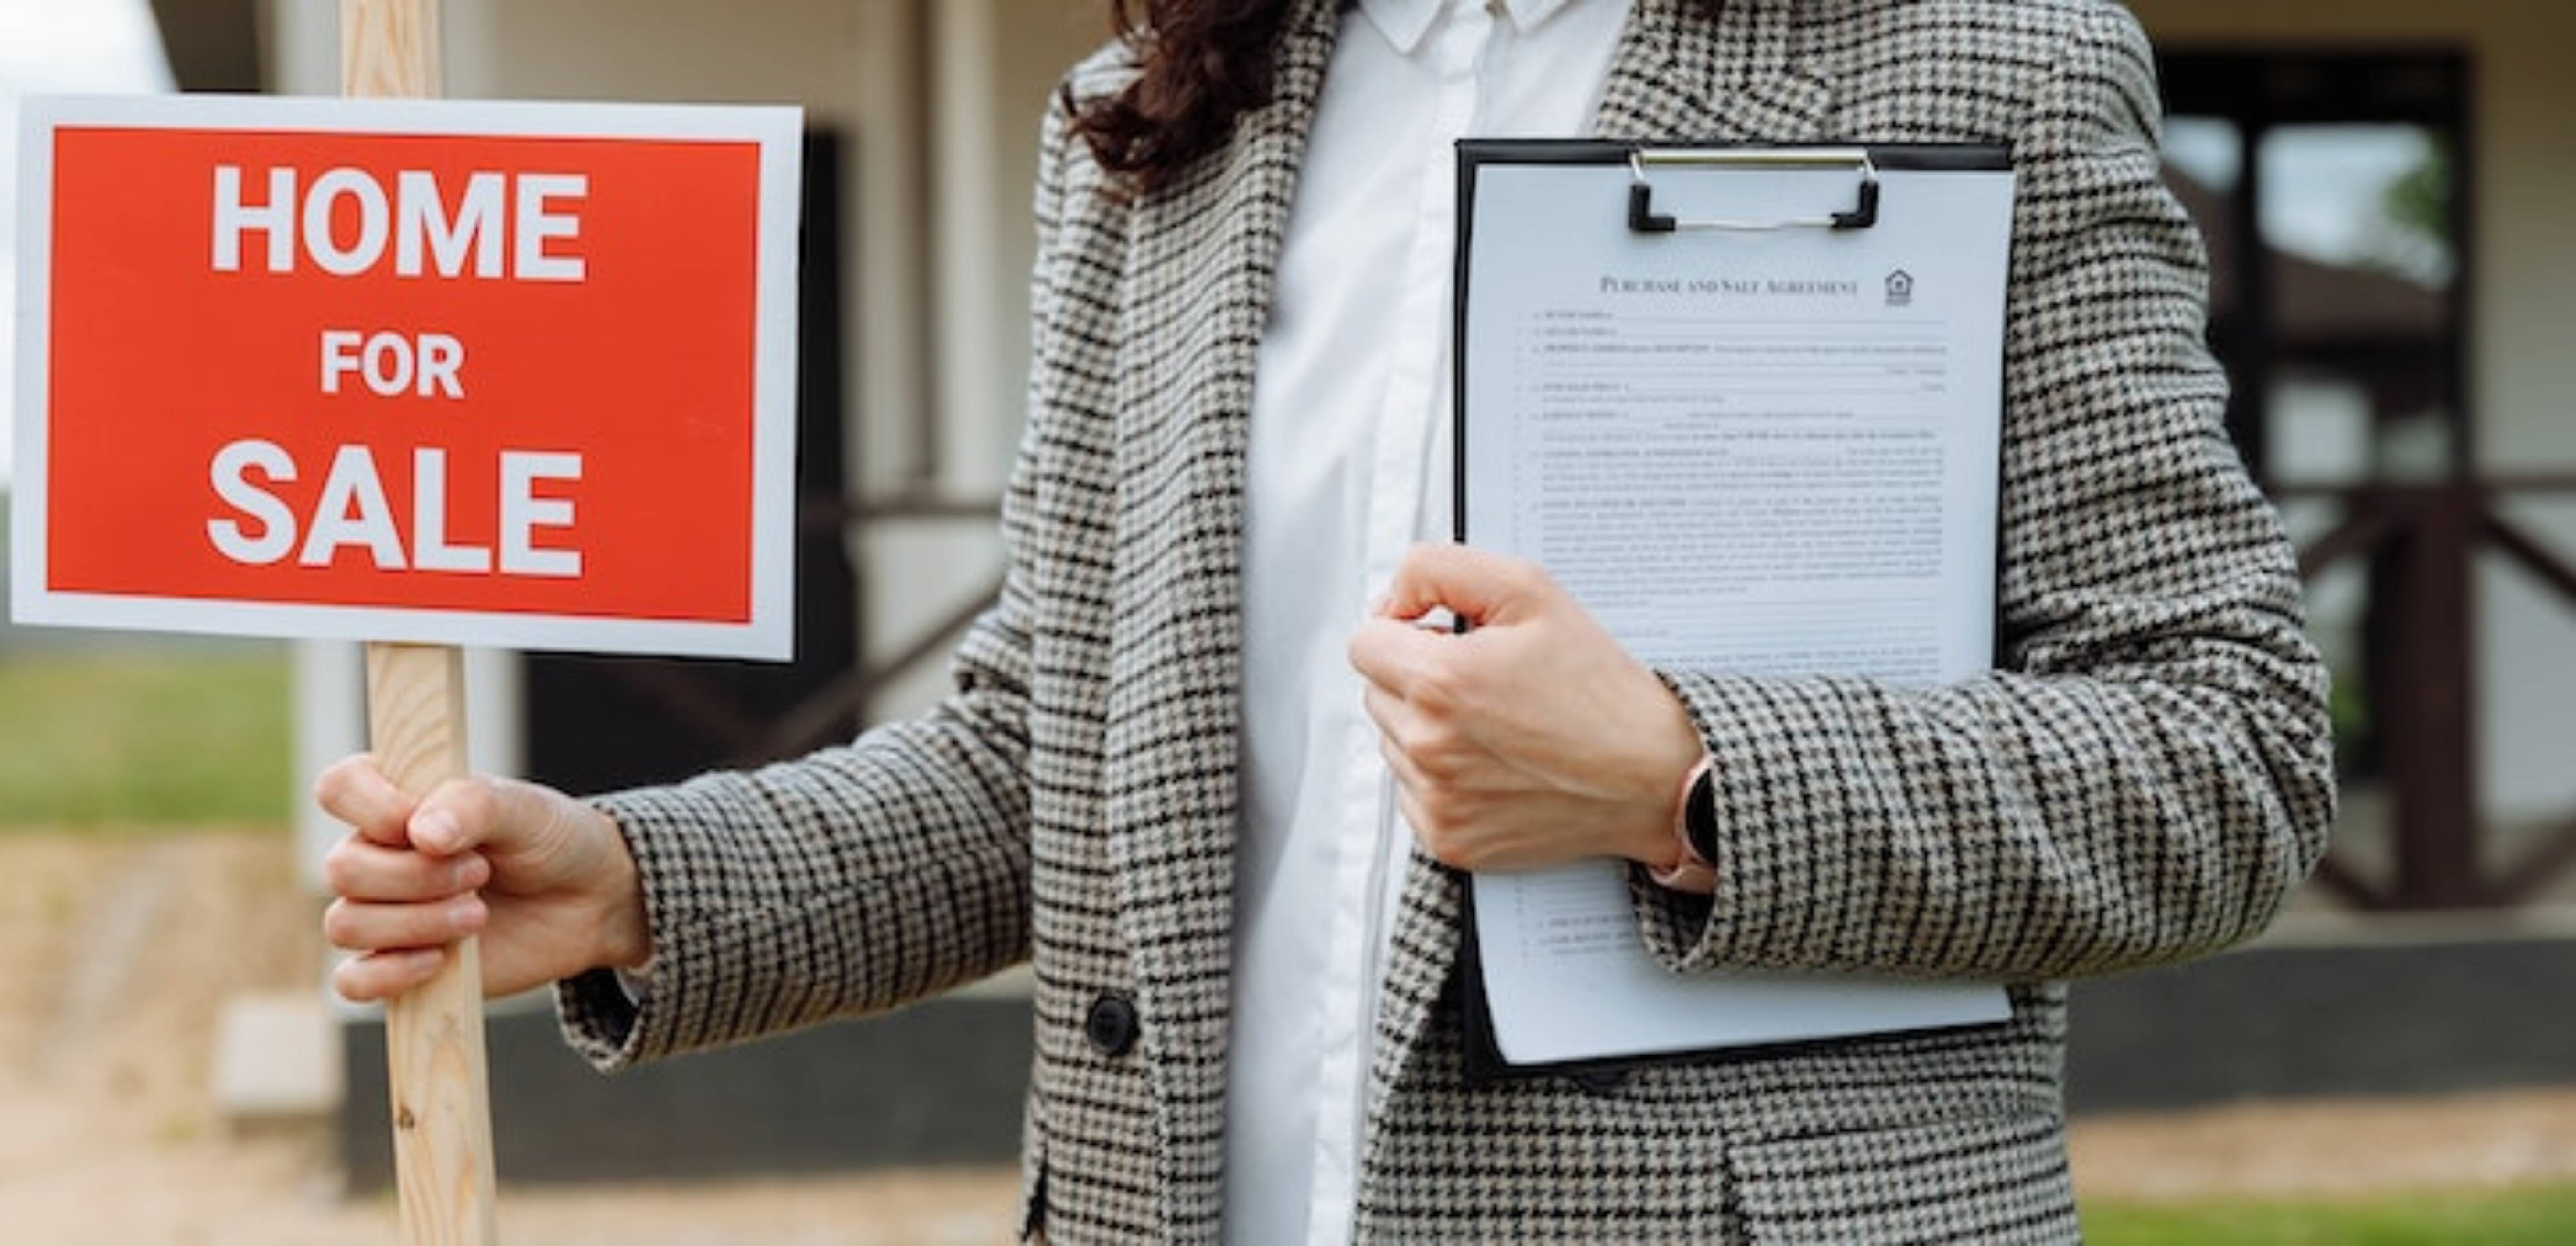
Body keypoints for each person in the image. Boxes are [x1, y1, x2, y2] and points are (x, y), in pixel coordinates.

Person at [315, 0, 2336, 1240]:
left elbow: (2222, 748)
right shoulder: (1149, 123)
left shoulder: (1976, 53)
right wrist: (638, 878)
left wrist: (1681, 776)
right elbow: (1058, 754)